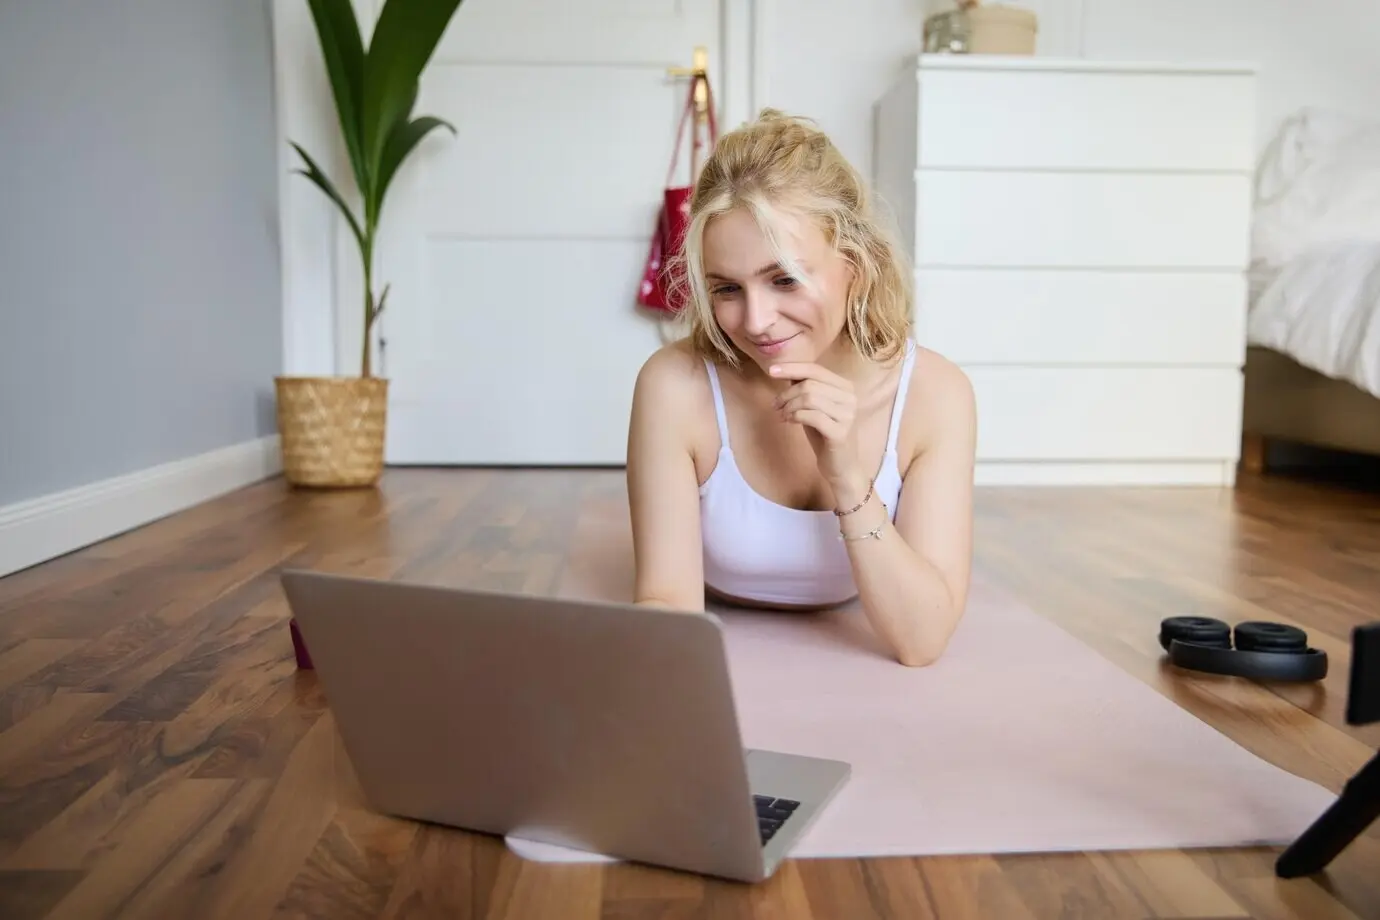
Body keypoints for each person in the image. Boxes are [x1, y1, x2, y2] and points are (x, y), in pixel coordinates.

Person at [625, 109, 976, 667]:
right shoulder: (675, 384)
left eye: (784, 278)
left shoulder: (935, 393)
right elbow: (668, 600)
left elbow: (922, 638)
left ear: (856, 266)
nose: (757, 320)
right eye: (727, 288)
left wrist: (845, 472)